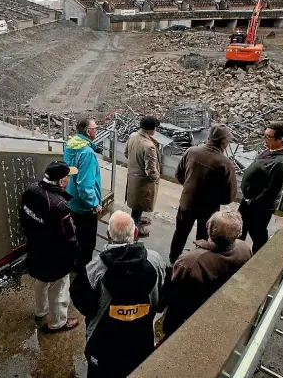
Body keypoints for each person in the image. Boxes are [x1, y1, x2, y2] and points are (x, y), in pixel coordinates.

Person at [70, 211, 166, 378]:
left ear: (108, 235)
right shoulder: (156, 261)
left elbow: (83, 303)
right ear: (136, 233)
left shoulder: (94, 268)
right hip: (141, 342)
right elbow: (164, 298)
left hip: (103, 347)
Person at [162, 210, 251, 339]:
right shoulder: (245, 249)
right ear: (239, 232)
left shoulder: (190, 263)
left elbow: (174, 300)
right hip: (219, 315)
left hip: (188, 323)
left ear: (208, 226)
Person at [20, 160, 80, 332]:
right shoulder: (60, 206)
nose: (69, 180)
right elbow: (69, 236)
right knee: (60, 287)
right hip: (55, 256)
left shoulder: (30, 191)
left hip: (35, 248)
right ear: (61, 182)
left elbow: (23, 218)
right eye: (68, 177)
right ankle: (58, 322)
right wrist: (75, 253)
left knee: (41, 281)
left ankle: (41, 310)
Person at [169, 124, 237, 265]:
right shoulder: (226, 164)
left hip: (187, 201)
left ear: (209, 137)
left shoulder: (191, 151)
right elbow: (228, 197)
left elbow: (178, 174)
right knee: (204, 237)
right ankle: (196, 263)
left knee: (180, 233)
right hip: (209, 209)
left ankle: (173, 261)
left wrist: (190, 188)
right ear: (224, 142)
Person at [239, 122, 283, 254]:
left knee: (258, 236)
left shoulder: (282, 164)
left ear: (280, 139)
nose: (264, 139)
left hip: (259, 207)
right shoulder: (271, 149)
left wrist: (251, 202)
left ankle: (257, 262)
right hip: (249, 201)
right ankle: (234, 256)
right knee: (239, 230)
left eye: (268, 137)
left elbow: (272, 191)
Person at [64, 117, 102, 268]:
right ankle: (82, 275)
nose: (96, 130)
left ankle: (74, 265)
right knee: (87, 244)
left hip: (71, 200)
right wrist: (94, 204)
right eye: (95, 128)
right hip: (84, 206)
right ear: (88, 132)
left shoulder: (71, 144)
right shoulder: (87, 153)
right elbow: (85, 186)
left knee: (75, 238)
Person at [124, 116, 161, 237]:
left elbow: (126, 153)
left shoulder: (133, 135)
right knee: (139, 203)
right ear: (151, 130)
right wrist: (155, 178)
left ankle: (138, 219)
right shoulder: (149, 146)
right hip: (143, 181)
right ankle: (135, 226)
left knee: (136, 202)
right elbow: (150, 170)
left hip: (133, 176)